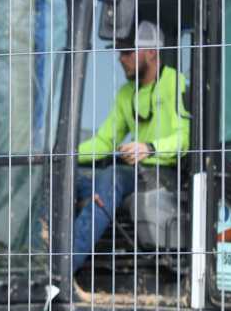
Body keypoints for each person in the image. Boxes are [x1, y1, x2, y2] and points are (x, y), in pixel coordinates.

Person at [70, 21, 189, 274]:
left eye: (128, 53)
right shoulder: (127, 94)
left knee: (112, 177)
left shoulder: (175, 84)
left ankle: (64, 263)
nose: (121, 59)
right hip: (135, 175)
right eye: (119, 52)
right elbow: (104, 141)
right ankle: (38, 253)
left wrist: (150, 147)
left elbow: (184, 140)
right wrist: (65, 156)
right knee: (65, 179)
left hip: (162, 175)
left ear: (152, 52)